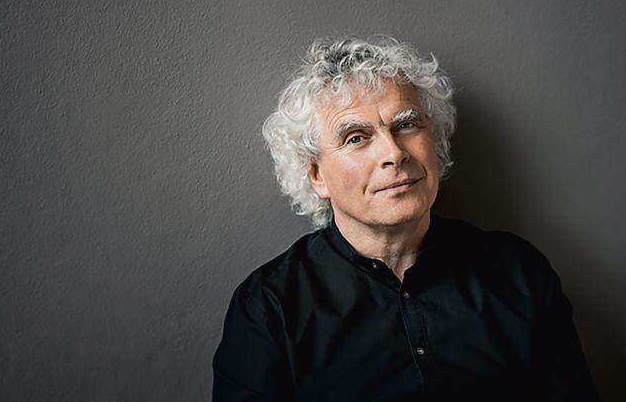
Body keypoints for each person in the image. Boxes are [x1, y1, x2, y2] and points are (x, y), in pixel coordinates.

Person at [212, 36, 599, 401]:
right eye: (356, 137)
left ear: (436, 142)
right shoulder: (269, 307)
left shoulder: (519, 274)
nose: (394, 153)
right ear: (316, 175)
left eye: (406, 124)